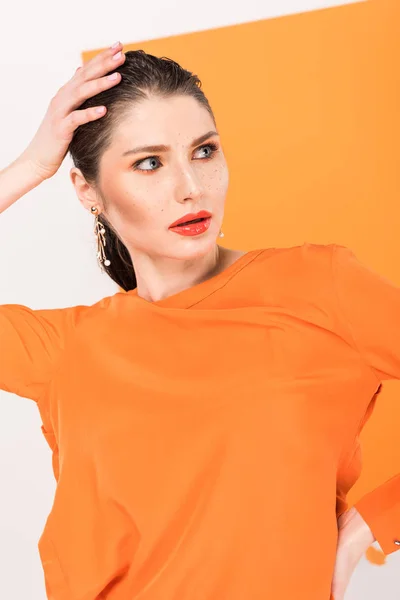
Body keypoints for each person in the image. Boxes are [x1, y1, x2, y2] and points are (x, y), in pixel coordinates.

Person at [0, 41, 399, 600]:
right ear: (88, 191)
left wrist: (373, 522)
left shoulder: (321, 286)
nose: (191, 186)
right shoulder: (67, 347)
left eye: (205, 151)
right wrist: (30, 165)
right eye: (149, 162)